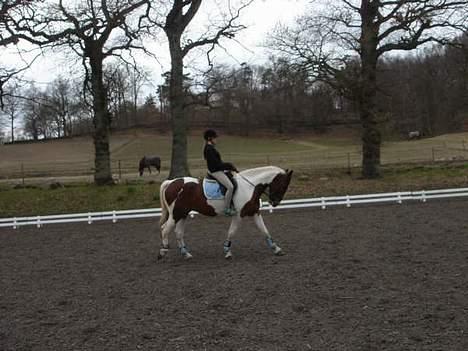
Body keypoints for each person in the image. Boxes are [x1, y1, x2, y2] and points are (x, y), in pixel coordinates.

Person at [203, 129, 238, 216]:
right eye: (215, 138)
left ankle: (232, 203)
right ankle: (226, 208)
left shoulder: (211, 148)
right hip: (215, 171)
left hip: (217, 169)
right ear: (210, 138)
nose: (216, 140)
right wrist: (228, 166)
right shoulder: (209, 149)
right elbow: (215, 165)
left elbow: (218, 163)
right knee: (230, 187)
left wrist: (228, 167)